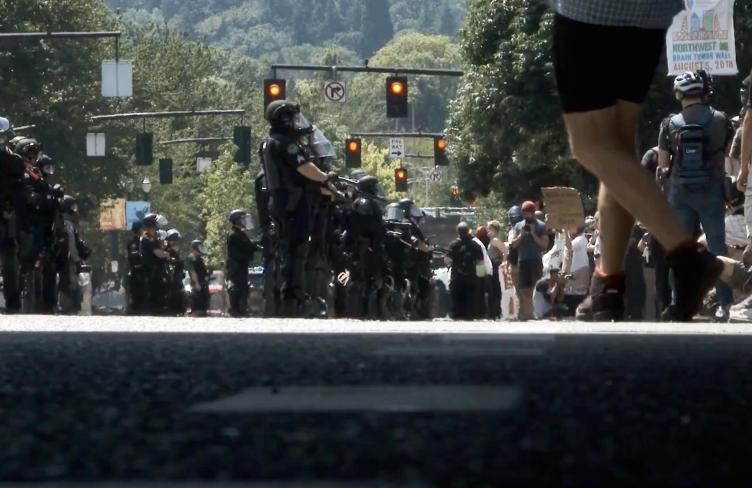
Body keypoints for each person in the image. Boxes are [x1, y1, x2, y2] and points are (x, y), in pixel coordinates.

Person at [547, 1, 725, 322]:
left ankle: (689, 256)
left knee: (590, 145)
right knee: (616, 148)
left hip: (590, 13)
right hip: (650, 14)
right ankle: (607, 285)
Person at [658, 70, 735, 321]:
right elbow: (729, 154)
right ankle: (726, 305)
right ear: (702, 92)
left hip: (680, 193)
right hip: (712, 192)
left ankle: (677, 304)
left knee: (679, 249)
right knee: (717, 246)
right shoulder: (721, 119)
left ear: (679, 94)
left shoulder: (669, 123)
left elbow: (663, 162)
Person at [260, 100, 337, 316]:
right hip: (292, 203)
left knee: (291, 248)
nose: (296, 123)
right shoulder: (285, 143)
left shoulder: (269, 142)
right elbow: (304, 167)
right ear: (284, 119)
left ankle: (291, 294)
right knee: (296, 249)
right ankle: (292, 296)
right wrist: (325, 176)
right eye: (293, 118)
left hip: (283, 201)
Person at [0, 117, 26, 314]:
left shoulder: (14, 162)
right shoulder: (14, 162)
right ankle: (13, 302)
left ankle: (13, 302)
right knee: (10, 258)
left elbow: (19, 192)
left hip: (5, 216)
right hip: (6, 216)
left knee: (10, 258)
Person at [510, 201, 549, 321]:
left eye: (528, 213)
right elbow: (513, 244)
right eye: (524, 213)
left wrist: (532, 233)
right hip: (523, 260)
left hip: (535, 260)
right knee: (524, 289)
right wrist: (521, 234)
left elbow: (544, 244)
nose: (526, 215)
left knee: (535, 289)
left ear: (533, 213)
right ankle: (527, 314)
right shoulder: (518, 226)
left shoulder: (541, 226)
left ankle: (535, 313)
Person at [444, 222, 484, 320]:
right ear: (468, 231)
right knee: (470, 300)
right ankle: (469, 317)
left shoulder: (453, 245)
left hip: (457, 278)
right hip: (471, 278)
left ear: (458, 232)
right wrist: (481, 277)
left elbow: (447, 260)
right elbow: (480, 262)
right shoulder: (475, 245)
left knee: (457, 300)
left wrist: (453, 264)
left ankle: (457, 317)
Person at [226, 209, 258, 318]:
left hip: (241, 266)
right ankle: (238, 311)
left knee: (243, 288)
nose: (245, 221)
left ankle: (241, 310)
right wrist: (253, 245)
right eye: (243, 219)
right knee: (239, 289)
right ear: (237, 220)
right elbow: (244, 248)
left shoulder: (240, 233)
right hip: (237, 267)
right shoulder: (234, 235)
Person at [139, 213, 170, 315]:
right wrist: (166, 254)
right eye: (156, 225)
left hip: (150, 272)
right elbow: (159, 254)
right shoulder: (149, 238)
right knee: (156, 296)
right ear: (152, 225)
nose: (157, 227)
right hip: (153, 273)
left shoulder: (146, 236)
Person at [562, 224, 590, 315]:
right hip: (577, 271)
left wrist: (566, 231)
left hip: (579, 271)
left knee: (576, 297)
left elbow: (568, 246)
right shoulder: (580, 239)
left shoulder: (580, 240)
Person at [487, 220, 508, 319]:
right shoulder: (491, 241)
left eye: (490, 229)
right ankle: (494, 312)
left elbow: (505, 251)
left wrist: (503, 263)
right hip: (492, 265)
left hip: (496, 265)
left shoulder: (495, 240)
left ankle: (497, 312)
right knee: (493, 290)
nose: (488, 231)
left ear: (495, 230)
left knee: (496, 289)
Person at [126, 220, 146, 314]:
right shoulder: (134, 242)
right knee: (137, 293)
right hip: (137, 271)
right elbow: (134, 256)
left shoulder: (139, 241)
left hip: (138, 271)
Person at [473, 226, 493, 319]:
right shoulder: (480, 245)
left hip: (481, 273)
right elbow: (481, 260)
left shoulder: (477, 243)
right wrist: (482, 275)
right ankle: (484, 314)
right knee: (484, 294)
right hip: (483, 273)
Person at [186, 239, 210, 317]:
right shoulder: (191, 257)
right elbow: (193, 271)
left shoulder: (199, 258)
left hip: (203, 284)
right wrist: (196, 283)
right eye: (200, 246)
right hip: (197, 285)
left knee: (204, 307)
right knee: (197, 306)